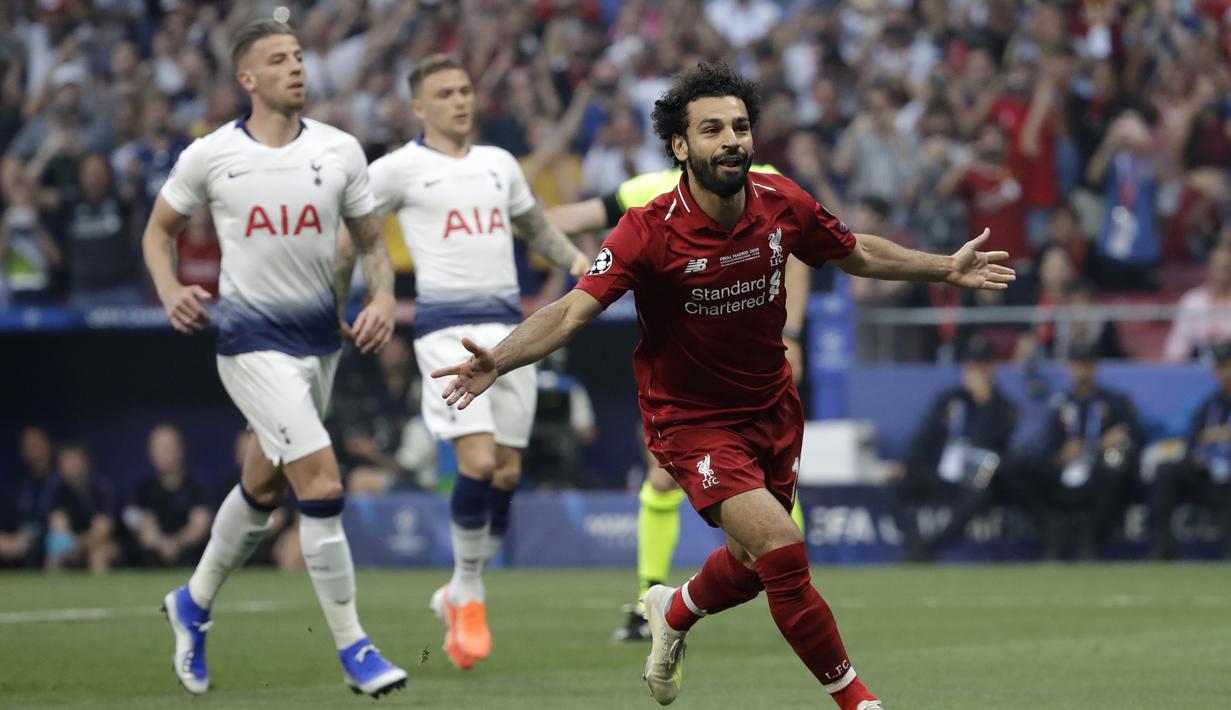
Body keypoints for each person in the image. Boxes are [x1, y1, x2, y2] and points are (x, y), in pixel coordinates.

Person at [433, 62, 1015, 710]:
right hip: (689, 421)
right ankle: (858, 701)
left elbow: (855, 252)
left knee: (748, 567)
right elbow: (572, 312)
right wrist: (500, 359)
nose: (731, 140)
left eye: (739, 126)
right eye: (711, 129)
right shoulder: (646, 229)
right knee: (782, 545)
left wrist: (944, 267)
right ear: (680, 146)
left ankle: (673, 610)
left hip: (771, 409)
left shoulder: (779, 202)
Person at [141, 20, 405, 698]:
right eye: (278, 60)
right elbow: (158, 232)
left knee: (262, 489)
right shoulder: (211, 155)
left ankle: (192, 603)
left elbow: (373, 243)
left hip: (320, 346)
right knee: (319, 480)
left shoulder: (342, 150)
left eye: (298, 56)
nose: (296, 67)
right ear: (247, 80)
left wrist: (379, 296)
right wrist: (170, 288)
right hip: (249, 346)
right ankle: (355, 648)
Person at [358, 53, 588, 671]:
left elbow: (533, 223)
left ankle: (457, 590)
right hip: (444, 330)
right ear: (418, 106)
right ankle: (473, 592)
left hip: (510, 331)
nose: (460, 100)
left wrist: (575, 260)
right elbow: (357, 222)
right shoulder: (398, 169)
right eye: (445, 92)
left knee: (508, 474)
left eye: (464, 90)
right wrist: (377, 288)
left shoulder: (498, 164)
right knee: (479, 461)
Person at [546, 161, 811, 643]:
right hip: (684, 383)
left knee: (772, 491)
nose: (724, 141)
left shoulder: (761, 183)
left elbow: (802, 249)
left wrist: (792, 328)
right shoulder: (648, 190)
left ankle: (786, 584)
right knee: (660, 479)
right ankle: (650, 598)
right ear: (682, 142)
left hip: (754, 371)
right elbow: (576, 217)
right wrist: (507, 214)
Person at [890, 336, 1022, 562]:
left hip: (974, 480)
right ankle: (915, 545)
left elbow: (987, 441)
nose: (974, 372)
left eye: (980, 366)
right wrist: (907, 463)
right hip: (941, 471)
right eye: (970, 366)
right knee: (895, 486)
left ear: (991, 368)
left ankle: (930, 549)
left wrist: (984, 401)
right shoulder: (949, 399)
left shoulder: (1004, 407)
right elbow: (925, 435)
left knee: (977, 497)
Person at [1035, 342, 1145, 560]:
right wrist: (1060, 455)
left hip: (1098, 471)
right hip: (1064, 470)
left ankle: (1091, 539)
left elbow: (1135, 436)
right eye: (1078, 364)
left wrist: (1095, 448)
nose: (1082, 370)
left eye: (1087, 364)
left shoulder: (1115, 402)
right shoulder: (1060, 403)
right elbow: (1046, 445)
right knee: (1023, 467)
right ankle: (1050, 530)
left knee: (1114, 470)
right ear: (1070, 368)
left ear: (1095, 367)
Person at [1149, 341, 1231, 560]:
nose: (1225, 373)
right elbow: (1193, 444)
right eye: (1221, 367)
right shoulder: (1209, 405)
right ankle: (1164, 547)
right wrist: (1200, 456)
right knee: (1167, 470)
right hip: (1209, 475)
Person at [131, 424, 212, 567]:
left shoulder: (197, 487)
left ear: (181, 449)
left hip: (191, 558)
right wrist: (161, 544)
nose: (166, 453)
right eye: (160, 448)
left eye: (170, 447)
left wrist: (176, 544)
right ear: (151, 452)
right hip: (152, 559)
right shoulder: (143, 489)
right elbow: (141, 527)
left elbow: (200, 526)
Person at [43, 441, 119, 574]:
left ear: (86, 462)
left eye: (75, 460)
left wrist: (78, 545)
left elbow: (103, 531)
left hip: (102, 544)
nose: (72, 466)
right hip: (72, 545)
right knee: (54, 556)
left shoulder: (100, 487)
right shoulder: (56, 488)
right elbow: (58, 528)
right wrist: (70, 545)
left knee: (98, 555)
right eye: (67, 461)